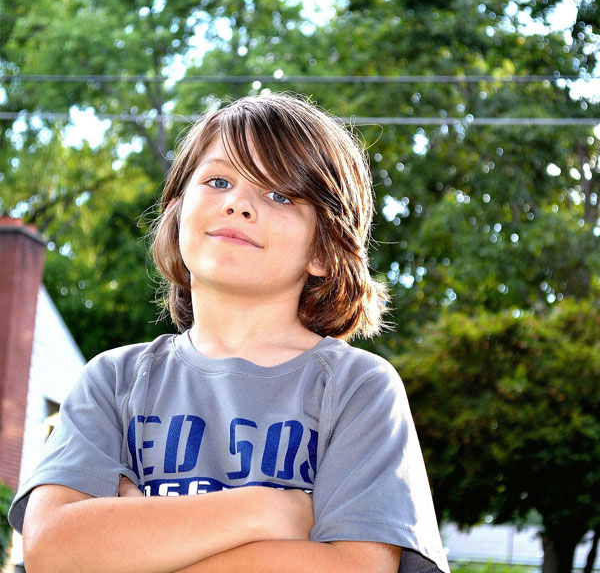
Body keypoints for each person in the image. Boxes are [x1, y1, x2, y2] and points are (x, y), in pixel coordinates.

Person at [8, 92, 450, 573]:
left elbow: (357, 568)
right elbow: (51, 547)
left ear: (323, 251)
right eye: (219, 181)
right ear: (177, 212)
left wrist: (136, 543)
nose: (238, 203)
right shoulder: (113, 381)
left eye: (280, 195)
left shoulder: (356, 388)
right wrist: (269, 510)